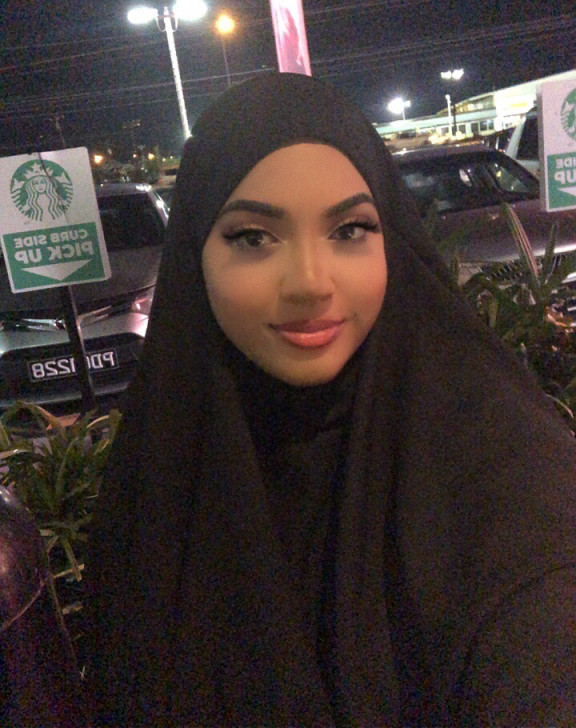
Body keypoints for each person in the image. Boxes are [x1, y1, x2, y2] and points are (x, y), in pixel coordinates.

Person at [86, 73, 576, 727]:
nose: (311, 283)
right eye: (254, 237)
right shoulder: (160, 474)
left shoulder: (499, 462)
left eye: (349, 229)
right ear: (194, 256)